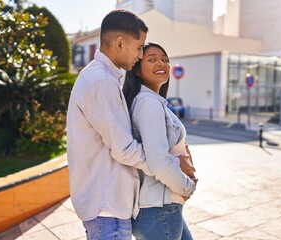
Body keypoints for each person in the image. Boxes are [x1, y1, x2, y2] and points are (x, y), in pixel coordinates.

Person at [67, 10, 195, 240]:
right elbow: (124, 148)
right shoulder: (101, 82)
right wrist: (175, 171)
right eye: (139, 47)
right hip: (106, 206)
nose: (139, 54)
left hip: (112, 205)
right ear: (119, 43)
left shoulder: (105, 79)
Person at [123, 42, 197, 240]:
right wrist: (188, 186)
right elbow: (159, 162)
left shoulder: (152, 101)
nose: (161, 63)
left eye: (165, 59)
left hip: (163, 208)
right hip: (159, 210)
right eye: (152, 59)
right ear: (137, 70)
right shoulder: (148, 103)